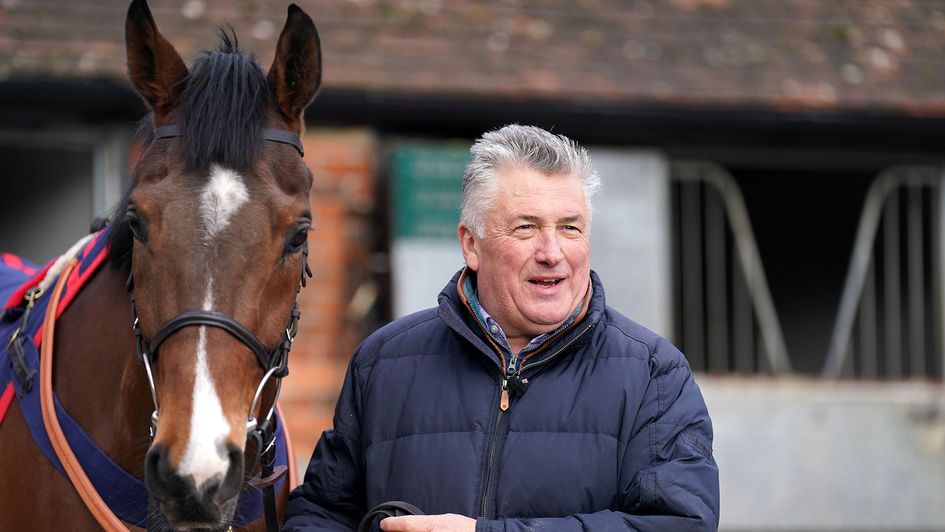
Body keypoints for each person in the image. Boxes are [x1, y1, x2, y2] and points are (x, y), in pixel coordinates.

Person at [283, 124, 720, 531]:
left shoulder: (654, 374)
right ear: (471, 244)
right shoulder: (383, 362)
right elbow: (323, 510)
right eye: (526, 227)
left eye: (570, 228)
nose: (552, 253)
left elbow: (678, 523)